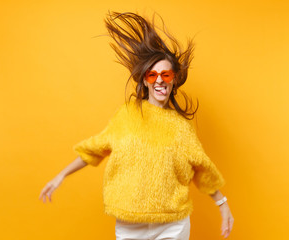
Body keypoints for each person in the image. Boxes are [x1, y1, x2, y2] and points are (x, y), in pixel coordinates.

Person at [39, 11, 234, 240]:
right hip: (130, 224)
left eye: (165, 74)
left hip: (173, 224)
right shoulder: (127, 115)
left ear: (174, 79)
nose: (159, 80)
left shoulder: (181, 127)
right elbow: (93, 149)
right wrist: (60, 176)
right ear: (144, 80)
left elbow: (202, 168)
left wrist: (223, 204)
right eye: (152, 75)